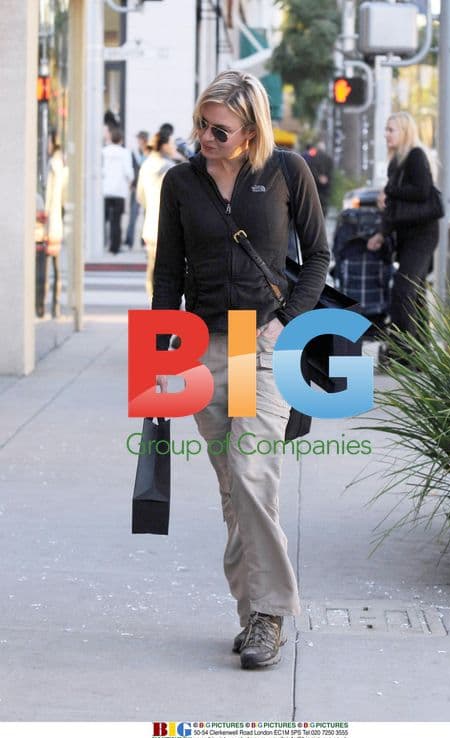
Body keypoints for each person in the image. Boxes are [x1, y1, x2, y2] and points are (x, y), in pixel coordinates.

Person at [153, 70, 329, 670]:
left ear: (250, 129)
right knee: (234, 492)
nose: (204, 136)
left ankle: (272, 615)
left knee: (255, 479)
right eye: (200, 124)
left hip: (264, 344)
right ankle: (252, 614)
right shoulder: (181, 183)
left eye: (218, 129)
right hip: (204, 347)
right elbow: (167, 276)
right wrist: (161, 359)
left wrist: (286, 323)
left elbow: (318, 259)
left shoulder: (286, 173)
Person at [369, 111, 439, 355]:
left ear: (405, 131)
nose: (386, 134)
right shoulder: (395, 163)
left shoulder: (416, 156)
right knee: (416, 292)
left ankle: (404, 350)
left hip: (423, 234)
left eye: (391, 130)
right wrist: (381, 233)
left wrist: (391, 191)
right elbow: (394, 207)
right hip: (406, 234)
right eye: (386, 129)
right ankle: (420, 351)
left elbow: (422, 191)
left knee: (403, 289)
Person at [136, 123, 183, 297]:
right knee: (168, 272)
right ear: (164, 145)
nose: (173, 147)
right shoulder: (172, 168)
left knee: (152, 267)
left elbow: (140, 196)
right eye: (170, 143)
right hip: (169, 228)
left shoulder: (145, 165)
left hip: (150, 226)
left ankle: (152, 302)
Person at [44, 130, 67, 318]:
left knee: (47, 266)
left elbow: (50, 197)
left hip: (50, 221)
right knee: (56, 265)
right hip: (57, 220)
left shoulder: (53, 165)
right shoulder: (63, 165)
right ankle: (55, 305)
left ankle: (44, 306)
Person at [102, 127, 134, 254]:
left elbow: (101, 170)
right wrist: (130, 182)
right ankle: (114, 246)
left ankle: (102, 243)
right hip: (119, 191)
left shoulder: (104, 151)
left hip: (105, 190)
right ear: (121, 140)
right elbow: (129, 172)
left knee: (103, 219)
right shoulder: (125, 153)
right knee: (116, 220)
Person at [125, 130, 149, 249]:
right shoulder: (133, 153)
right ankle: (129, 241)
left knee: (147, 216)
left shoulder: (150, 154)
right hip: (136, 187)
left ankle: (144, 241)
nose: (138, 142)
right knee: (133, 215)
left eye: (139, 139)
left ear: (143, 140)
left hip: (147, 188)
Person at [302, 142, 334, 216]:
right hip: (325, 187)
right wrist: (326, 179)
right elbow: (330, 172)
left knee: (314, 205)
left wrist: (318, 178)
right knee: (323, 206)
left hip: (314, 185)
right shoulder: (329, 158)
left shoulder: (311, 158)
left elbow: (310, 168)